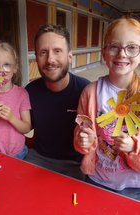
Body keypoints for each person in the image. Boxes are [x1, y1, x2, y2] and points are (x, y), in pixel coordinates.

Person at [74, 17, 140, 200]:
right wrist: (82, 140)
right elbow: (82, 130)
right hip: (98, 178)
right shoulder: (90, 92)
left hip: (134, 185)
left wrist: (135, 145)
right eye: (114, 47)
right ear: (104, 52)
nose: (122, 54)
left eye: (132, 48)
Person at [25, 24, 90, 180]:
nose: (50, 60)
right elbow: (24, 128)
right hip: (38, 158)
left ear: (69, 56)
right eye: (43, 53)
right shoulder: (30, 91)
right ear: (36, 58)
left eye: (57, 51)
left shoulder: (86, 90)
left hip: (75, 163)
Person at [0, 42, 31, 159]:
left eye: (7, 65)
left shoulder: (22, 94)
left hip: (18, 153)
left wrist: (11, 118)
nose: (0, 70)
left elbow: (26, 128)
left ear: (15, 68)